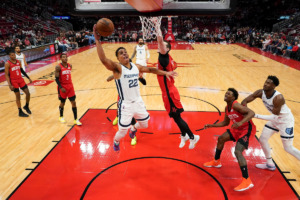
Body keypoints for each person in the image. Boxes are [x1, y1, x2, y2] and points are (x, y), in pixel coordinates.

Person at [93, 24, 177, 151]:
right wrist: (97, 40)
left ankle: (134, 128)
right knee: (122, 132)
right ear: (117, 59)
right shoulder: (117, 68)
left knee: (144, 124)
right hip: (125, 105)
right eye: (121, 53)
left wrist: (166, 73)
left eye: (125, 52)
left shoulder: (136, 66)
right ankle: (116, 141)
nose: (125, 54)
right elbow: (104, 59)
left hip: (138, 101)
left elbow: (150, 69)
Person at [154, 20, 200, 149]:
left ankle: (192, 136)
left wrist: (157, 26)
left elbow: (159, 40)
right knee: (175, 117)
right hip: (168, 92)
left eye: (163, 45)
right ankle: (184, 135)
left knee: (178, 118)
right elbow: (174, 66)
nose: (160, 46)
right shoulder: (169, 59)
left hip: (169, 93)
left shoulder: (164, 57)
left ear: (166, 49)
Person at [241, 75, 300, 171]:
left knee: (288, 148)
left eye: (269, 83)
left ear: (274, 86)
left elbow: (274, 117)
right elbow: (245, 101)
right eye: (266, 81)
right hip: (275, 120)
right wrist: (245, 109)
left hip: (285, 122)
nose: (265, 84)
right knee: (263, 139)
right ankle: (269, 164)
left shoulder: (278, 98)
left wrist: (254, 115)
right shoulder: (260, 92)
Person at [204, 88, 256, 192]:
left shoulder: (236, 105)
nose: (226, 94)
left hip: (246, 129)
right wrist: (211, 125)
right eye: (226, 93)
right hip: (237, 129)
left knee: (237, 151)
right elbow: (225, 123)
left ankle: (247, 180)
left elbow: (252, 113)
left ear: (233, 97)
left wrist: (241, 123)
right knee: (221, 138)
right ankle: (216, 161)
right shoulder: (226, 108)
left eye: (229, 93)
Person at [55, 54, 82, 126]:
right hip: (63, 87)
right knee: (62, 103)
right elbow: (56, 79)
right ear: (60, 58)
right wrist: (61, 87)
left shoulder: (70, 66)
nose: (65, 58)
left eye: (66, 57)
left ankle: (76, 119)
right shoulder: (58, 67)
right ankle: (61, 116)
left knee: (73, 102)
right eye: (63, 57)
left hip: (70, 86)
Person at [5, 50, 33, 117]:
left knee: (28, 93)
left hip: (20, 79)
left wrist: (28, 77)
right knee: (18, 96)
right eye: (12, 55)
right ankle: (20, 111)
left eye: (14, 55)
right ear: (9, 56)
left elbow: (22, 70)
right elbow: (6, 75)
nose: (13, 56)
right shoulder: (7, 63)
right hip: (14, 81)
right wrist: (10, 85)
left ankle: (26, 106)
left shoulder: (18, 61)